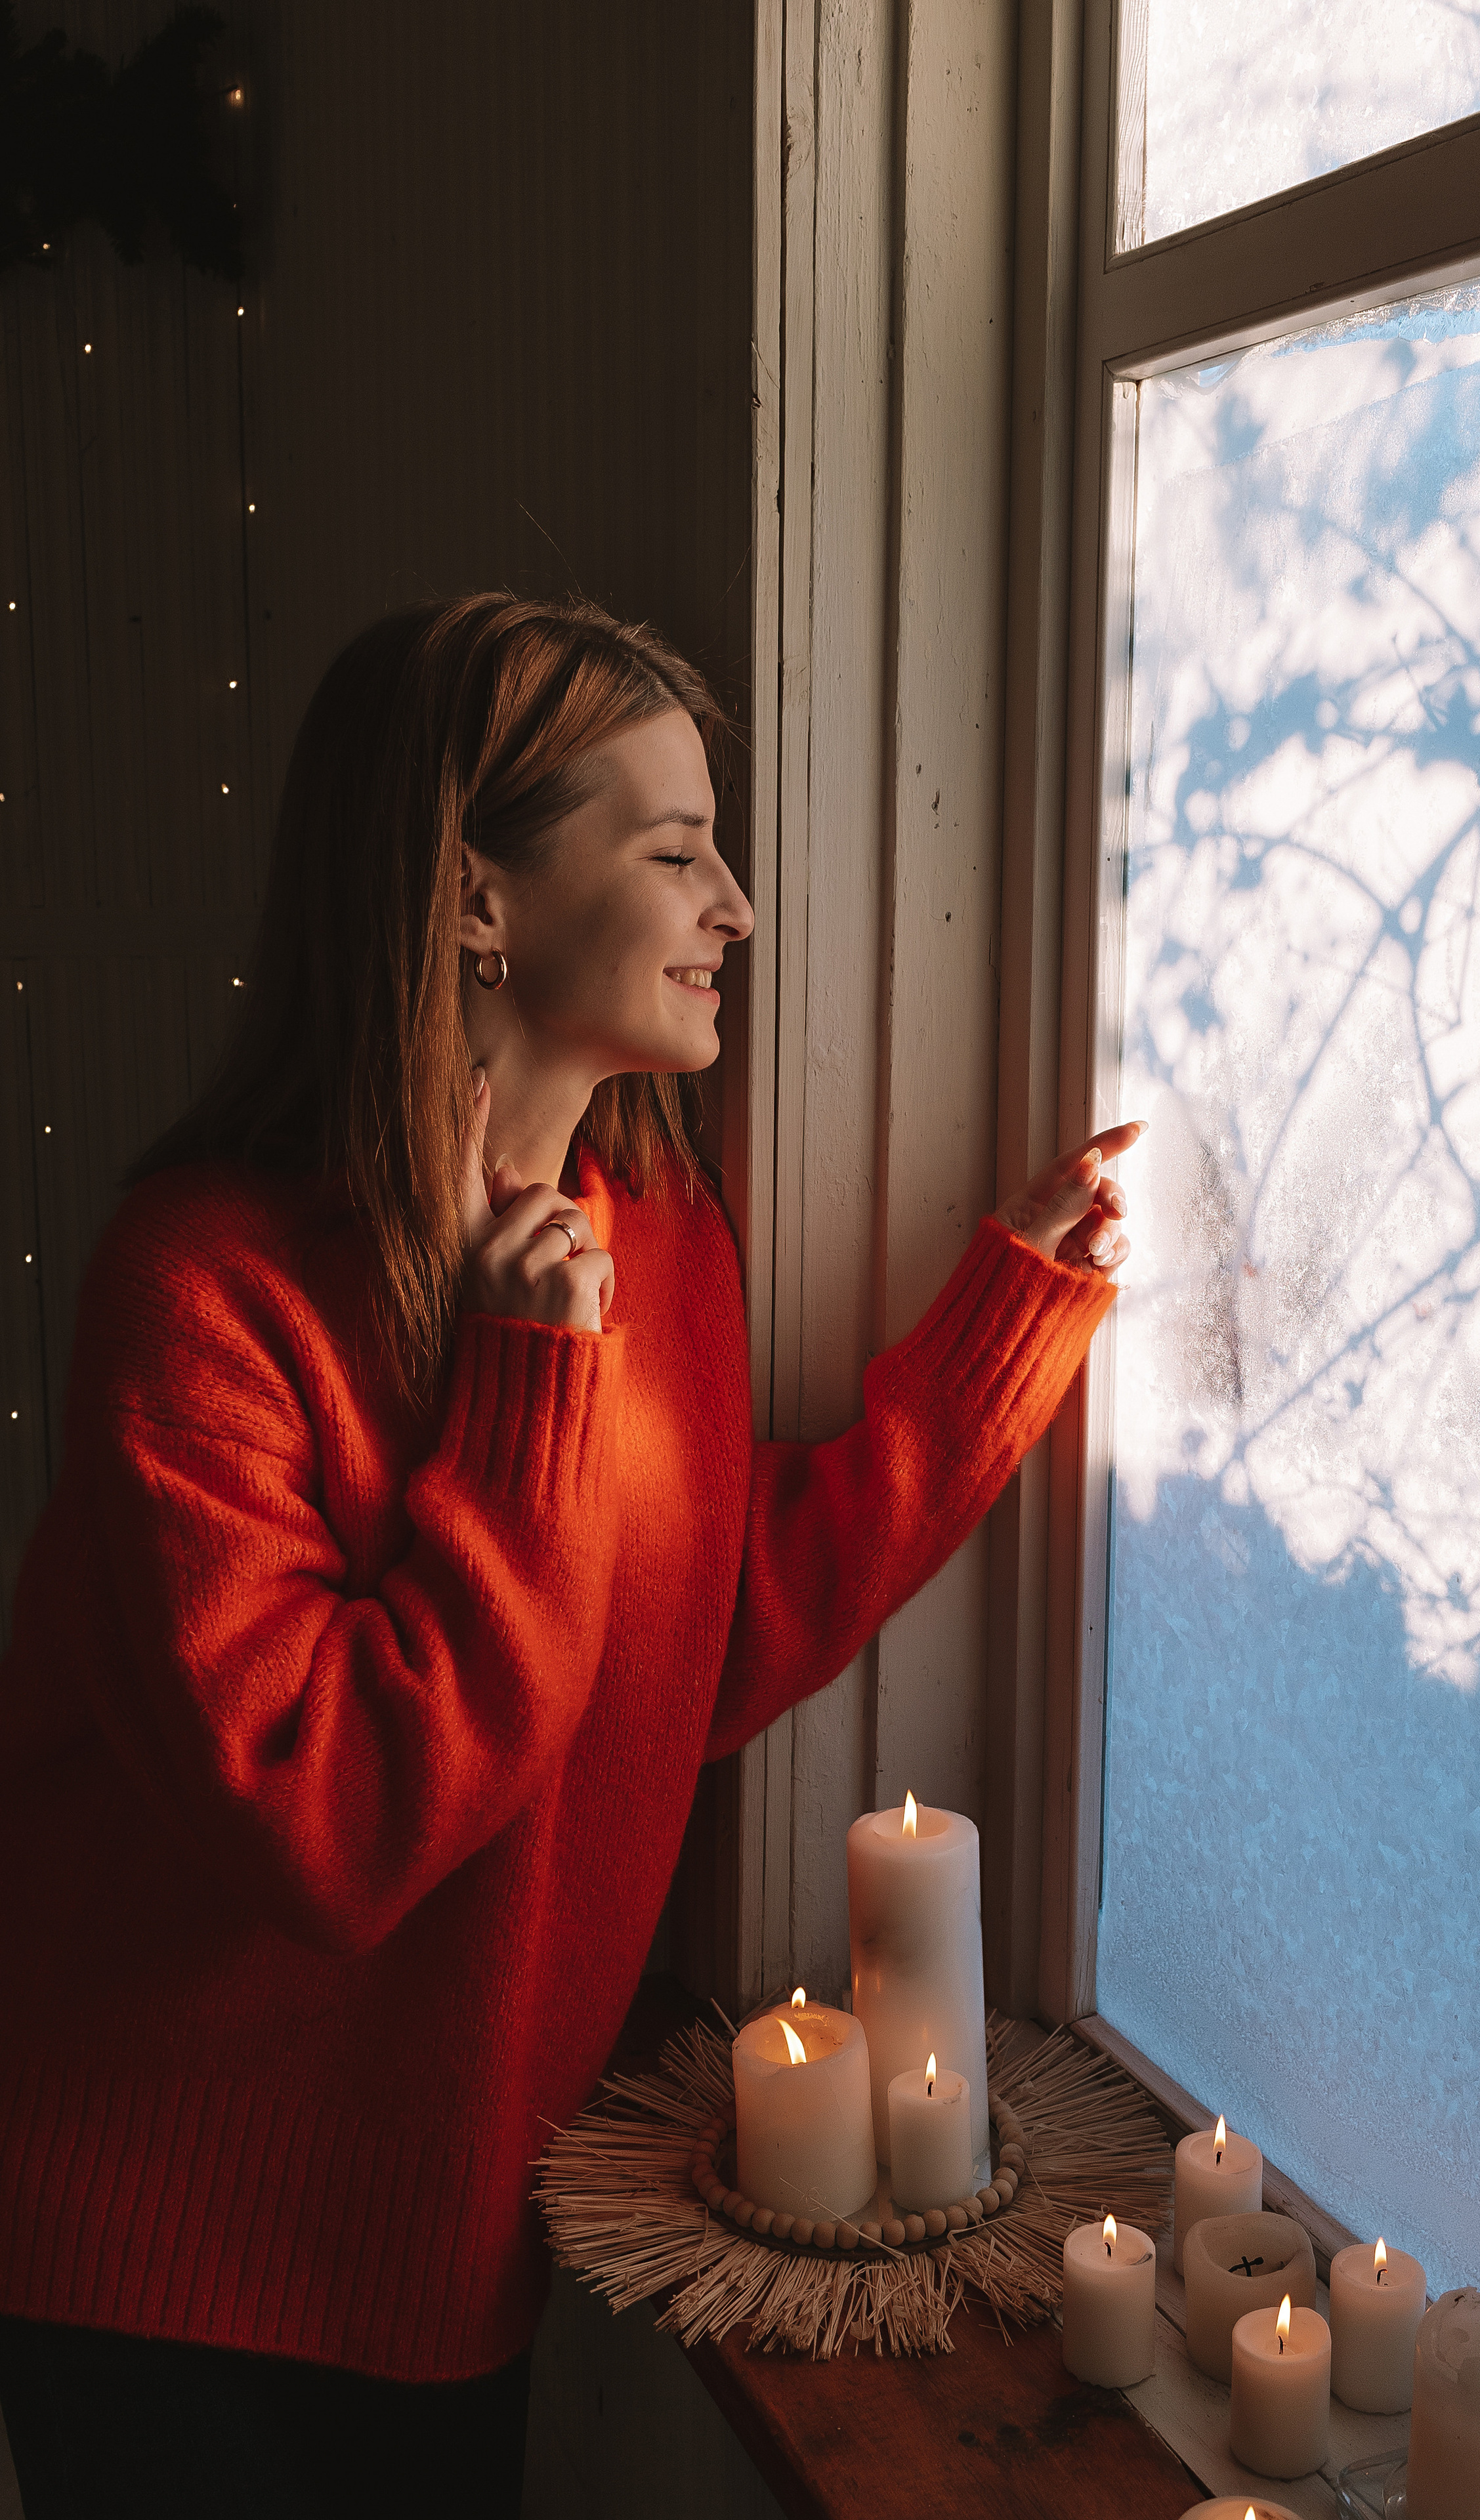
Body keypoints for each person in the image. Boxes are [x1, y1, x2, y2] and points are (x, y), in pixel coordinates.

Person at [0, 596, 1139, 2517]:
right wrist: (527, 1399)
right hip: (157, 2251)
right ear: (473, 896)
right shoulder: (199, 1286)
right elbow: (336, 1822)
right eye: (677, 850)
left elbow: (701, 1636)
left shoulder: (657, 1235)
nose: (741, 911)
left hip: (455, 2251)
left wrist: (1006, 1324)